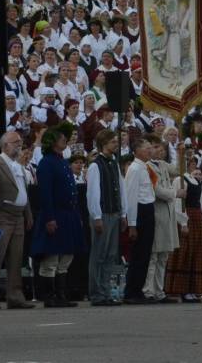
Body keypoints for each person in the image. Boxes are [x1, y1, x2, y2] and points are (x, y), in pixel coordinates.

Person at [30, 123, 85, 308]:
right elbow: (45, 193)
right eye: (62, 138)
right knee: (51, 258)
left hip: (68, 214)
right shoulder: (46, 163)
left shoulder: (62, 161)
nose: (65, 140)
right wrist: (49, 218)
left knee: (67, 256)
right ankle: (50, 295)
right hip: (55, 214)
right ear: (53, 142)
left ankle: (62, 294)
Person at [0, 131, 35, 309]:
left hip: (18, 215)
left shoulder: (18, 165)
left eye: (20, 141)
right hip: (3, 216)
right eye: (15, 142)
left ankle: (15, 295)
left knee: (16, 258)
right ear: (4, 146)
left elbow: (22, 190)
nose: (19, 144)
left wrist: (28, 213)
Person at [86, 130, 126, 306]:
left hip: (114, 213)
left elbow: (121, 188)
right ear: (103, 144)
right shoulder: (96, 165)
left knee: (110, 255)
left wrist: (123, 213)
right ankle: (97, 292)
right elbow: (93, 192)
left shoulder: (114, 164)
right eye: (112, 142)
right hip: (102, 214)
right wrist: (96, 216)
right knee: (99, 255)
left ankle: (107, 291)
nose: (115, 144)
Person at [165, 156, 202, 303]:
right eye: (189, 163)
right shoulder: (180, 180)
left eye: (194, 163)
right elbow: (178, 202)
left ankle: (193, 289)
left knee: (197, 253)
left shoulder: (196, 180)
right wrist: (183, 222)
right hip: (188, 217)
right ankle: (180, 289)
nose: (192, 166)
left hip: (198, 218)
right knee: (185, 253)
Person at [145, 136, 180, 303]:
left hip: (168, 214)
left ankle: (160, 291)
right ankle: (148, 291)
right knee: (154, 255)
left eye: (162, 147)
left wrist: (181, 154)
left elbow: (179, 170)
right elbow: (157, 190)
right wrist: (174, 194)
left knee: (164, 255)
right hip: (157, 213)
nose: (160, 150)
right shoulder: (147, 167)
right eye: (156, 146)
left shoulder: (164, 165)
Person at [123, 136, 156, 304]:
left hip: (149, 209)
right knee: (138, 255)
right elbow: (131, 196)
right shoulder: (135, 169)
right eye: (146, 148)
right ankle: (131, 291)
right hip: (140, 212)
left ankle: (139, 289)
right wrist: (132, 224)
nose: (150, 151)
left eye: (150, 148)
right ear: (136, 151)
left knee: (145, 254)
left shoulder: (146, 167)